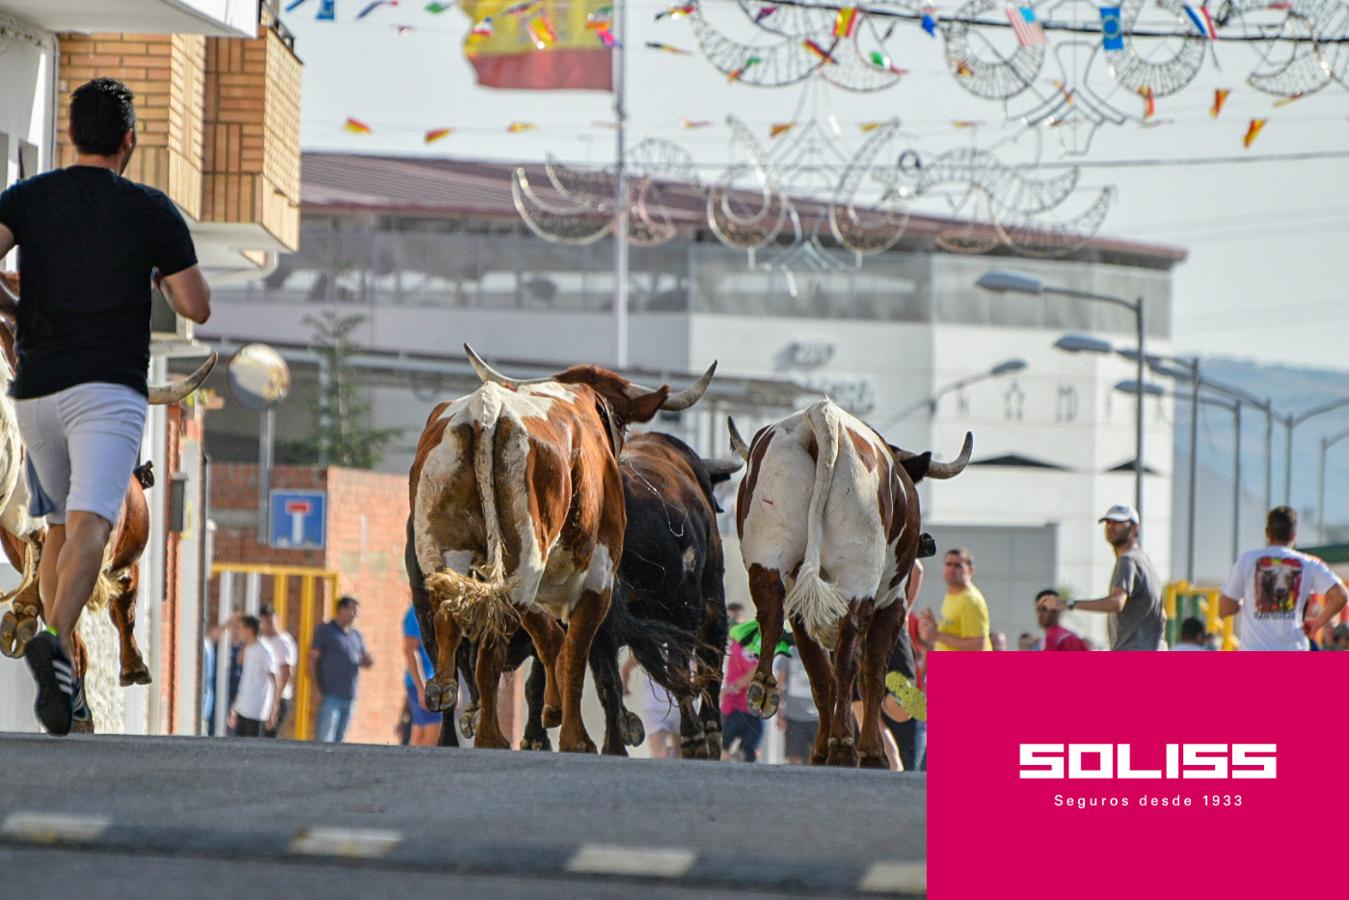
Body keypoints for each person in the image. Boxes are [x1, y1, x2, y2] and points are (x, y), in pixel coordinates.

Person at [0, 77, 211, 736]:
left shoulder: (28, 199)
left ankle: (57, 644)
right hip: (108, 392)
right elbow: (196, 305)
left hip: (36, 393)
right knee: (94, 520)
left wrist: (13, 309)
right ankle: (58, 645)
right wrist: (156, 272)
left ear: (71, 135)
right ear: (129, 141)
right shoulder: (151, 211)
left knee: (62, 525)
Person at [1219, 506, 1347, 651]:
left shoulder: (1247, 561)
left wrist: (1241, 604)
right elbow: (1341, 595)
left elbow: (1225, 609)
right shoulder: (1310, 564)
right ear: (1294, 535)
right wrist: (1317, 623)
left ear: (1268, 533)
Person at [1039, 505, 1165, 651]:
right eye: (1108, 522)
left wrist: (1068, 603)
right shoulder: (1144, 561)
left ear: (1135, 528)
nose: (1111, 527)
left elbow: (1117, 602)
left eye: (1118, 522)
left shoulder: (1127, 561)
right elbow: (1162, 614)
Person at [309, 595, 373, 743]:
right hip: (329, 695)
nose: (355, 614)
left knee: (340, 741)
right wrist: (315, 689)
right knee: (324, 739)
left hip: (350, 696)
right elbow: (312, 659)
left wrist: (367, 661)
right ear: (341, 610)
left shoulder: (356, 635)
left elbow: (365, 658)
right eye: (352, 610)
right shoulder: (325, 630)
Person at [917, 548, 991, 652]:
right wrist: (936, 628)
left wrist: (937, 635)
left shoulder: (971, 600)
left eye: (958, 566)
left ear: (970, 570)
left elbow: (978, 645)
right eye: (948, 564)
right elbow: (955, 633)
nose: (952, 569)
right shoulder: (952, 594)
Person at [621, 655, 680, 759]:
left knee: (659, 754)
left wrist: (626, 688)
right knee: (680, 752)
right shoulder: (683, 644)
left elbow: (626, 669)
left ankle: (662, 771)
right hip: (677, 704)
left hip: (654, 705)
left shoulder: (646, 644)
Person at [773, 634, 819, 766]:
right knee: (794, 759)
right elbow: (780, 684)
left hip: (818, 717)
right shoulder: (790, 652)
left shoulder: (823, 652)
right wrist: (779, 714)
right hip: (794, 716)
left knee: (818, 759)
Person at [229, 616, 278, 738]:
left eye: (240, 628)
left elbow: (274, 679)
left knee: (253, 749)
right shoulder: (247, 648)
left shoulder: (264, 649)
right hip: (243, 708)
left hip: (257, 710)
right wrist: (235, 707)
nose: (238, 631)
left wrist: (274, 709)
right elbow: (246, 680)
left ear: (249, 629)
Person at [401, 604, 441, 746]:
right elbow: (410, 650)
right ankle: (423, 768)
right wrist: (421, 688)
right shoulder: (416, 612)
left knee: (420, 734)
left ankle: (407, 768)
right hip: (423, 683)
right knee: (432, 735)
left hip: (437, 683)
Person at [721, 633, 763, 763]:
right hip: (732, 707)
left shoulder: (745, 645)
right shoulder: (731, 644)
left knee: (747, 750)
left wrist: (733, 686)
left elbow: (756, 671)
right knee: (724, 746)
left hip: (746, 708)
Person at [258, 604, 298, 738]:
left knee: (268, 737)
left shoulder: (283, 641)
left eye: (271, 621)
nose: (269, 625)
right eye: (265, 622)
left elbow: (287, 672)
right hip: (262, 696)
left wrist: (276, 700)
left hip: (278, 698)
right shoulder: (260, 640)